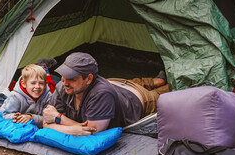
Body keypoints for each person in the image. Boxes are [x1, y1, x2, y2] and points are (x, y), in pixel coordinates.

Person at [43, 52, 171, 136]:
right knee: (127, 83)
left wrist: (59, 117)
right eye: (64, 76)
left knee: (167, 93)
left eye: (71, 78)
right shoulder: (62, 87)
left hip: (138, 97)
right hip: (115, 83)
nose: (64, 81)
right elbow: (46, 122)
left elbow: (92, 131)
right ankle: (154, 81)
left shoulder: (101, 94)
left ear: (88, 79)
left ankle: (158, 84)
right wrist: (75, 128)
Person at [0, 64, 54, 128]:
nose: (37, 86)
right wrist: (15, 116)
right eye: (33, 83)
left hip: (34, 118)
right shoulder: (15, 96)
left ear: (45, 84)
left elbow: (49, 118)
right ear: (24, 84)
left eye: (41, 83)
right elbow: (6, 115)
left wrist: (31, 117)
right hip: (11, 112)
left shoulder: (48, 96)